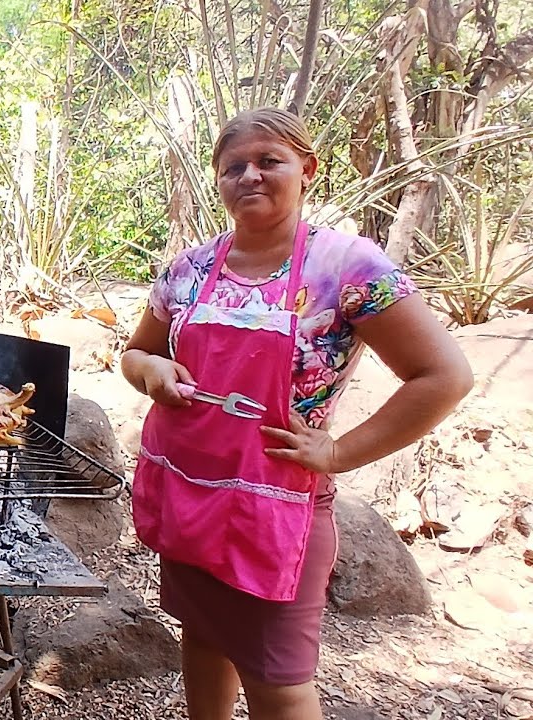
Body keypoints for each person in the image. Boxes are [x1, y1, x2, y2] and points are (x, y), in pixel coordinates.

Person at [121, 107, 473, 720]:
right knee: (204, 635)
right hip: (189, 490)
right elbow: (136, 352)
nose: (250, 176)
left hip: (276, 506)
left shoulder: (347, 267)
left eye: (268, 161)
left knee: (278, 680)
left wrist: (338, 452)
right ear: (218, 179)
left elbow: (444, 376)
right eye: (234, 167)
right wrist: (151, 373)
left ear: (306, 170)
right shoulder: (190, 268)